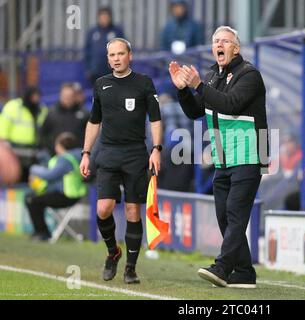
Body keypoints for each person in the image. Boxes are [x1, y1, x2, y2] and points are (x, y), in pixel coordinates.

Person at [168, 26, 268, 289]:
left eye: (224, 41)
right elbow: (195, 112)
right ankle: (244, 273)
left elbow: (231, 104)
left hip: (249, 152)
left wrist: (198, 85)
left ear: (236, 47)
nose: (218, 45)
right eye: (215, 41)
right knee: (224, 215)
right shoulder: (213, 74)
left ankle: (223, 267)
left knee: (235, 213)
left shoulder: (250, 75)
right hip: (223, 156)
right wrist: (182, 91)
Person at [79, 38, 162, 285]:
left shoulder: (144, 83)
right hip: (108, 154)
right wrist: (85, 153)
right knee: (103, 209)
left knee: (133, 211)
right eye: (112, 55)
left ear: (130, 55)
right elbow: (94, 121)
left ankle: (131, 268)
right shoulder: (101, 84)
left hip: (136, 154)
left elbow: (155, 118)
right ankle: (113, 251)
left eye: (120, 54)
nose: (116, 58)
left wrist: (156, 149)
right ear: (108, 59)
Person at [25, 132, 86, 241]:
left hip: (65, 196)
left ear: (60, 146)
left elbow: (50, 175)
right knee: (32, 198)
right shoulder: (77, 156)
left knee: (31, 200)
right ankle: (41, 232)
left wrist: (33, 168)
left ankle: (42, 233)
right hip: (73, 195)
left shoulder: (65, 159)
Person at [0, 87, 47, 182]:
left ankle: (32, 196)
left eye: (38, 96)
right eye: (34, 96)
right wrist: (4, 144)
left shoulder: (42, 109)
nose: (36, 99)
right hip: (15, 151)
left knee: (34, 179)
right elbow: (3, 126)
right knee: (15, 177)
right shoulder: (13, 107)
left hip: (34, 151)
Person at [40, 83, 90, 156]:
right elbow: (43, 134)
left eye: (70, 96)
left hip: (77, 156)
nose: (67, 98)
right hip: (54, 155)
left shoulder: (85, 113)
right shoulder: (52, 112)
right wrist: (53, 148)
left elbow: (90, 135)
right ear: (60, 95)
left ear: (75, 96)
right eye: (65, 96)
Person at [84, 7, 124, 85]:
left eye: (106, 17)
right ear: (98, 18)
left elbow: (124, 50)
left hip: (112, 72)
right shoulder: (92, 32)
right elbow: (87, 52)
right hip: (95, 72)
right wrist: (88, 69)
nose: (104, 19)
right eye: (102, 17)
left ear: (110, 18)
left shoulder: (117, 32)